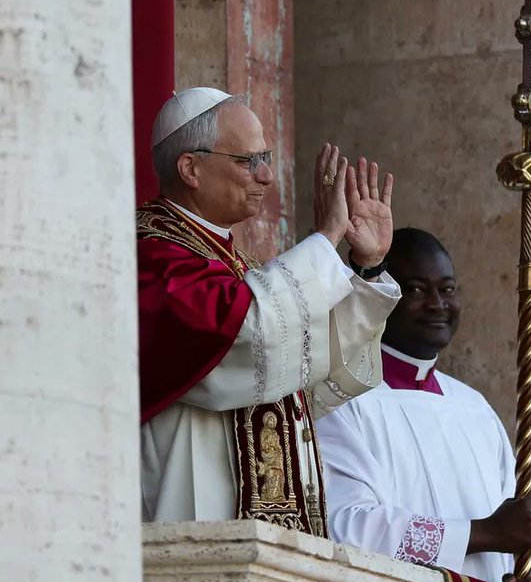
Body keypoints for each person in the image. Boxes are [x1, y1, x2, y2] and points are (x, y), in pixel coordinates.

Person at [138, 86, 400, 535]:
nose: (266, 177)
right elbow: (246, 335)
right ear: (191, 168)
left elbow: (310, 370)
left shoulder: (237, 267)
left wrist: (367, 267)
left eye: (267, 158)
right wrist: (324, 238)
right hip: (193, 520)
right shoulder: (153, 258)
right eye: (248, 161)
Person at [315, 228, 531, 582]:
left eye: (447, 289)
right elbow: (348, 529)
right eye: (416, 289)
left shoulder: (472, 407)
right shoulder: (340, 401)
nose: (437, 304)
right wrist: (482, 533)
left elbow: (527, 526)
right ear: (381, 295)